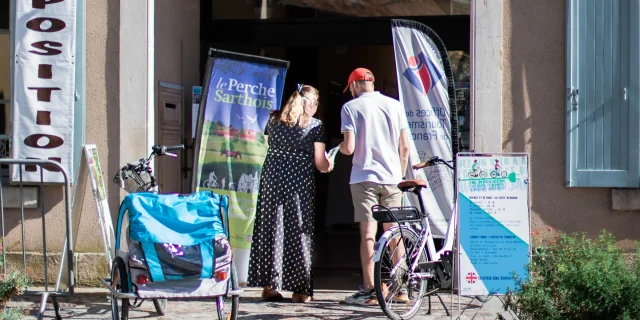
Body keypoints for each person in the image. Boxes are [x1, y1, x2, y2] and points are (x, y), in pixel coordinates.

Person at [248, 84, 333, 303]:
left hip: (272, 181)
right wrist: (329, 165)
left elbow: (268, 146)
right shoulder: (315, 126)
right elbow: (320, 162)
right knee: (299, 231)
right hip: (299, 184)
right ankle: (300, 290)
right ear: (312, 104)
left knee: (271, 228)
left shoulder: (273, 120)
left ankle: (269, 287)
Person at [338, 68, 410, 306]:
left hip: (364, 177)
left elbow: (348, 148)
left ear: (355, 85)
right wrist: (398, 175)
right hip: (392, 178)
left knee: (369, 234)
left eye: (349, 89)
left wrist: (336, 149)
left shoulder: (350, 108)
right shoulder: (395, 105)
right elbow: (405, 148)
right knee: (394, 234)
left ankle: (370, 290)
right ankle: (402, 289)